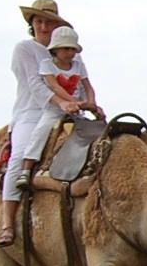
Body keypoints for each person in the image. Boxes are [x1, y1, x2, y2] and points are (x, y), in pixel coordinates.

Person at [0, 0, 70, 246]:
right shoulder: (25, 49)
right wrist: (62, 103)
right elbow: (34, 85)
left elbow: (80, 82)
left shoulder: (67, 51)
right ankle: (7, 223)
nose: (43, 26)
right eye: (39, 21)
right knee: (19, 157)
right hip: (31, 113)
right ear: (32, 24)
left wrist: (85, 105)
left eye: (49, 21)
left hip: (65, 113)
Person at [19, 26, 101, 182]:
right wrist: (71, 102)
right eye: (65, 49)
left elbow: (87, 86)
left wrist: (92, 103)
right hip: (55, 110)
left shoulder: (78, 66)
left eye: (72, 49)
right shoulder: (47, 65)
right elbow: (54, 86)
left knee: (93, 132)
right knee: (40, 133)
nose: (70, 53)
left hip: (76, 111)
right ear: (55, 49)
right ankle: (26, 169)